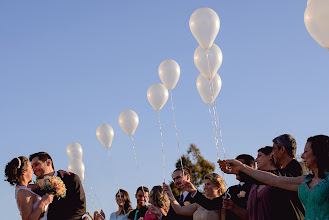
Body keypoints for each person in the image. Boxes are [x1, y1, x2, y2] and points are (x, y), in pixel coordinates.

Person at [220, 135, 329, 219]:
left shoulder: (298, 168)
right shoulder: (306, 180)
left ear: (318, 152)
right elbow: (274, 180)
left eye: (306, 151)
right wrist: (242, 168)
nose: (302, 155)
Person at [29, 152, 86, 220]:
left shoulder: (70, 179)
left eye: (36, 164)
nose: (34, 169)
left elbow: (80, 208)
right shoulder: (37, 189)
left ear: (48, 162)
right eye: (32, 167)